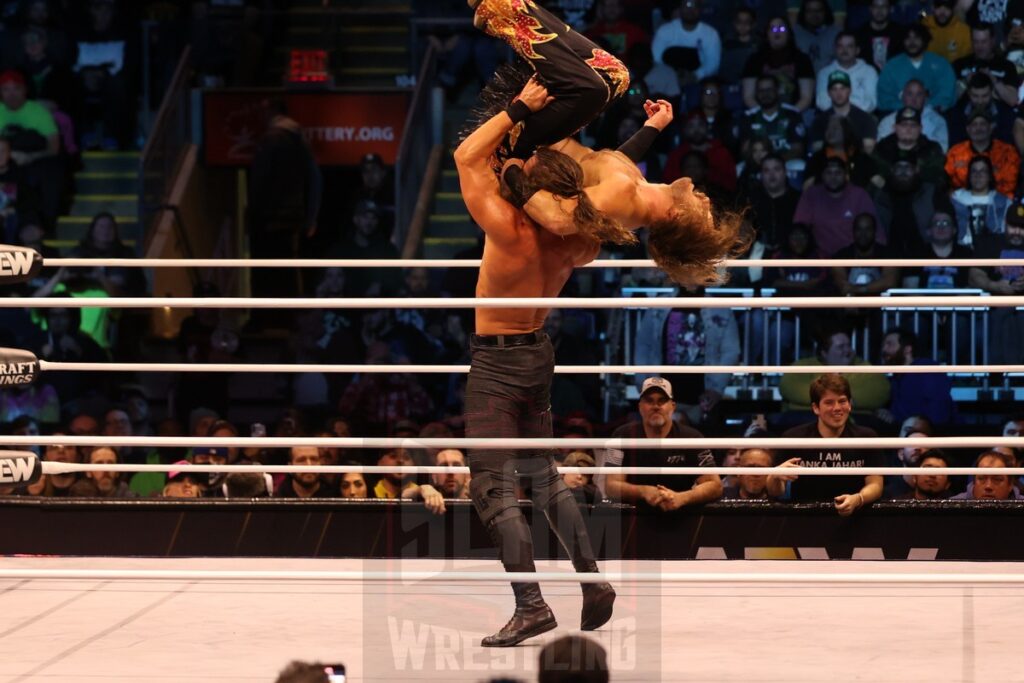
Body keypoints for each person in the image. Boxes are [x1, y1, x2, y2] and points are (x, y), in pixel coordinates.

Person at [453, 77, 613, 647]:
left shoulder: (507, 225)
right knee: (541, 473)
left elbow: (466, 154)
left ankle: (530, 605)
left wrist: (519, 109)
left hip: (497, 364)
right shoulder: (580, 241)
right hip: (539, 353)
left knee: (493, 485)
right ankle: (592, 580)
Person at [768, 373, 884, 514]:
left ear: (850, 404)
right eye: (829, 402)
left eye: (842, 401)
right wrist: (775, 477)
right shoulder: (794, 437)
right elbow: (774, 491)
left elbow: (876, 484)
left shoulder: (867, 437)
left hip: (854, 520)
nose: (837, 408)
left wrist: (858, 499)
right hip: (804, 520)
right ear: (816, 408)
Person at [598, 377, 721, 510]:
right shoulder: (622, 435)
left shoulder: (692, 438)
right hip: (633, 519)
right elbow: (611, 486)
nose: (656, 406)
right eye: (649, 401)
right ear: (640, 407)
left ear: (672, 407)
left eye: (662, 401)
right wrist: (643, 491)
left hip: (682, 518)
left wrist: (681, 498)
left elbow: (715, 485)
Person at [879, 328, 955, 428]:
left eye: (890, 344)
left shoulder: (926, 369)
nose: (884, 349)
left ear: (907, 349)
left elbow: (938, 410)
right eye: (884, 345)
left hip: (934, 436)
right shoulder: (895, 379)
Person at [877, 24, 957, 113]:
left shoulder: (941, 64)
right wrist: (905, 109)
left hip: (934, 115)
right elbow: (884, 97)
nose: (912, 42)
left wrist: (927, 108)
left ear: (924, 40)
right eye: (908, 38)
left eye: (917, 38)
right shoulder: (891, 66)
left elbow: (947, 94)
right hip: (899, 116)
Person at [945, 110, 1020, 197]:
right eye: (974, 125)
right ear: (968, 129)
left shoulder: (1008, 152)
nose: (978, 128)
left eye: (983, 124)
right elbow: (947, 183)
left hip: (1000, 203)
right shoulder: (955, 153)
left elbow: (1011, 183)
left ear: (991, 127)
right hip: (962, 203)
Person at [876, 80, 950, 152]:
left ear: (925, 98)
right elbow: (881, 149)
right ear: (902, 97)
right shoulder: (888, 121)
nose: (914, 99)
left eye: (919, 94)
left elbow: (941, 150)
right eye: (910, 94)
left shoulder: (938, 121)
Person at [814, 32, 879, 113]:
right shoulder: (824, 73)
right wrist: (845, 108)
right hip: (832, 117)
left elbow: (871, 103)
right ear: (835, 49)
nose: (844, 50)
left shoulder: (869, 71)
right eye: (840, 46)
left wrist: (841, 105)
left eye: (850, 46)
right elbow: (822, 102)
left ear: (857, 50)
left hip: (862, 117)